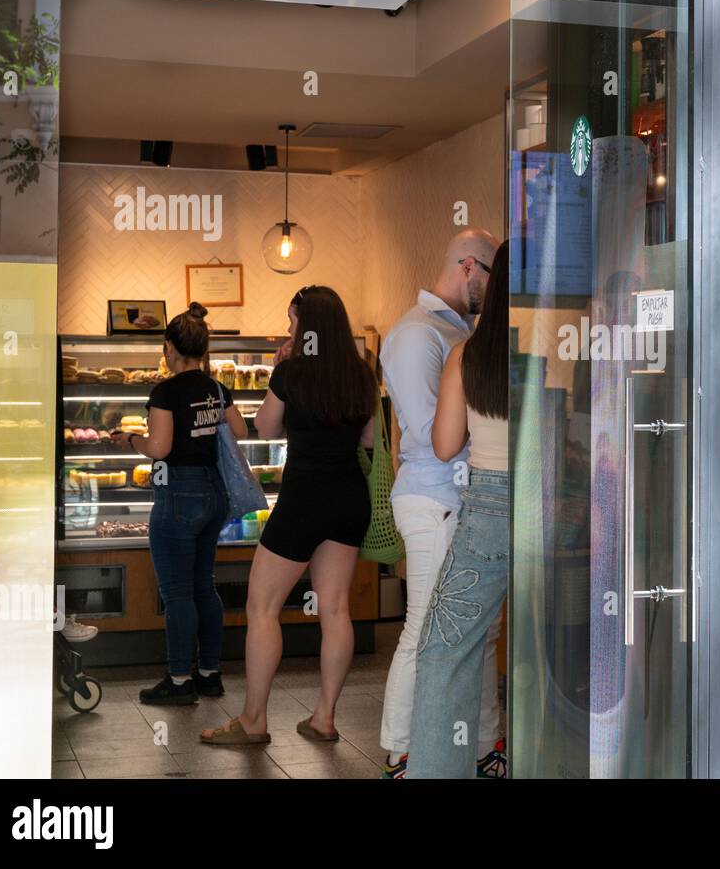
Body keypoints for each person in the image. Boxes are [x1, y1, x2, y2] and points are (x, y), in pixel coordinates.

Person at [201, 285, 375, 745]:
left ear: (308, 324)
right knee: (335, 608)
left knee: (262, 607)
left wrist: (282, 371)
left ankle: (254, 721)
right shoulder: (360, 374)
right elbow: (372, 440)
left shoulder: (291, 372)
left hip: (302, 501)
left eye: (292, 320)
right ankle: (324, 717)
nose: (288, 328)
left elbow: (264, 427)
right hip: (349, 499)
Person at [377, 227, 504, 778]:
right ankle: (404, 751)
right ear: (470, 267)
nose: (496, 290)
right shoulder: (415, 335)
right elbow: (433, 436)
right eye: (494, 276)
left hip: (461, 499)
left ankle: (480, 748)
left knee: (474, 633)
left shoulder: (459, 333)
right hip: (434, 501)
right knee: (429, 630)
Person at [119, 302, 247, 705]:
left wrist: (129, 440)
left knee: (177, 594)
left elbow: (159, 448)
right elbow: (240, 429)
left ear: (169, 347)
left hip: (179, 494)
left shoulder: (166, 391)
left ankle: (178, 681)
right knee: (203, 587)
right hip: (214, 493)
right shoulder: (215, 388)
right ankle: (209, 675)